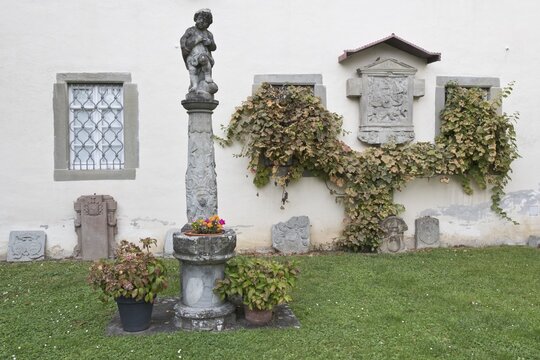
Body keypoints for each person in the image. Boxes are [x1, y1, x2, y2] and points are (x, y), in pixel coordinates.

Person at [180, 9, 218, 98]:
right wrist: (186, 45)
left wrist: (209, 43)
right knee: (192, 71)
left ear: (208, 23)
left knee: (203, 60)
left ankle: (207, 75)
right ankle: (194, 85)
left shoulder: (208, 34)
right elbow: (183, 40)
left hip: (203, 54)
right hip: (192, 55)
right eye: (200, 19)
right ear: (196, 19)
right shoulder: (190, 30)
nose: (201, 22)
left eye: (205, 22)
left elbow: (214, 47)